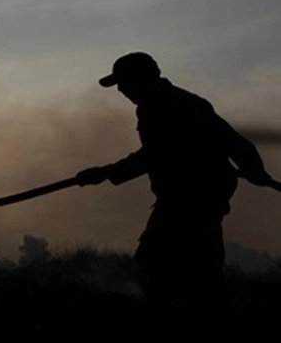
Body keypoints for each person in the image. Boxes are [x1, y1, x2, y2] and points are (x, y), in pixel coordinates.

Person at [75, 52, 275, 304]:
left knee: (155, 262)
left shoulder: (168, 103)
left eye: (124, 82)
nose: (121, 90)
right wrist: (252, 167)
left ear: (142, 78)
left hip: (193, 193)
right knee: (198, 263)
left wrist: (105, 173)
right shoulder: (164, 103)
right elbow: (233, 142)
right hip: (191, 193)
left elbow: (157, 152)